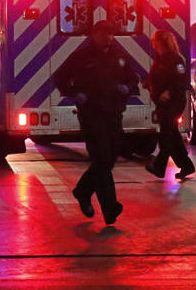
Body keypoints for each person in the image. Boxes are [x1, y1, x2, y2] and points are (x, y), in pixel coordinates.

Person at [53, 19, 139, 225]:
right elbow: (60, 77)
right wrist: (75, 93)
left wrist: (127, 88)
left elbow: (132, 77)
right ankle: (110, 208)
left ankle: (83, 191)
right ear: (93, 35)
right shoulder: (81, 57)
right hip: (91, 112)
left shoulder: (120, 55)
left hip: (113, 112)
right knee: (101, 156)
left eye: (110, 34)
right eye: (103, 34)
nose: (108, 38)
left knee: (110, 158)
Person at [145, 29, 196, 180]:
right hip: (162, 103)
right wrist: (148, 84)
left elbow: (180, 80)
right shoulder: (159, 59)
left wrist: (169, 92)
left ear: (161, 42)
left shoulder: (176, 60)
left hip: (174, 102)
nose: (154, 45)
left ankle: (159, 166)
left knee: (166, 135)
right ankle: (186, 166)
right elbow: (155, 76)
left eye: (156, 42)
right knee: (172, 135)